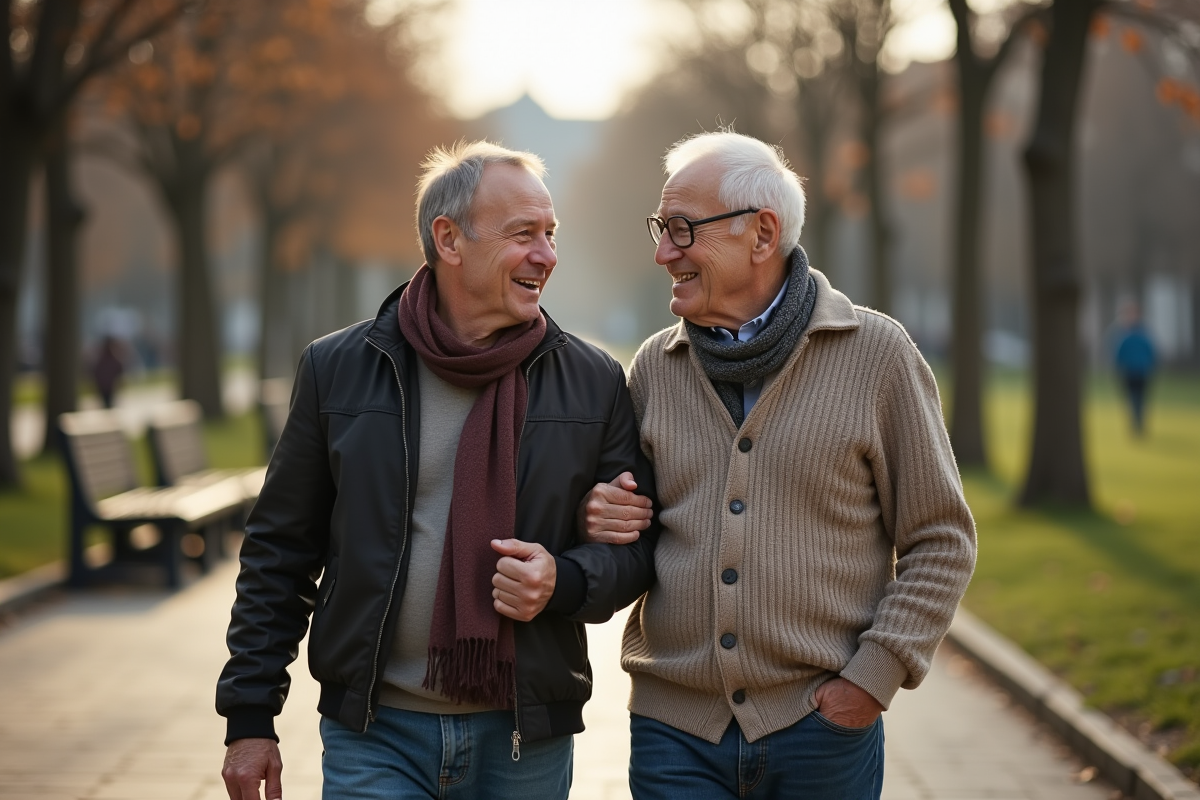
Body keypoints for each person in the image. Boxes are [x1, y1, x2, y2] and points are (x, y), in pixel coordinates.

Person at [217, 141, 658, 800]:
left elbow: (635, 556)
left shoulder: (593, 383)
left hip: (525, 738)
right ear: (449, 240)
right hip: (375, 733)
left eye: (550, 234)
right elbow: (280, 550)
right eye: (523, 235)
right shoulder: (338, 369)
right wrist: (250, 720)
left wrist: (561, 580)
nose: (546, 254)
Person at [578, 131, 977, 800]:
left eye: (681, 230)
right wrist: (600, 517)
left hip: (821, 730)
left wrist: (872, 679)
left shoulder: (877, 356)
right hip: (675, 730)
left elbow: (942, 538)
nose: (661, 252)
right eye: (660, 229)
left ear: (762, 235)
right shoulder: (654, 366)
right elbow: (633, 537)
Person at [1113, 300, 1156, 436]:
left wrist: (1151, 366)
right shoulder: (1122, 334)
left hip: (1143, 371)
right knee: (1132, 399)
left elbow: (1151, 352)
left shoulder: (1144, 333)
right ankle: (1135, 424)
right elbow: (1118, 354)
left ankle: (1140, 424)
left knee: (1141, 399)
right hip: (1128, 372)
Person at [91, 334, 124, 408]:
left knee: (108, 404)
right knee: (107, 404)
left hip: (106, 386)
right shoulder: (106, 360)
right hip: (105, 386)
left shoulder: (104, 359)